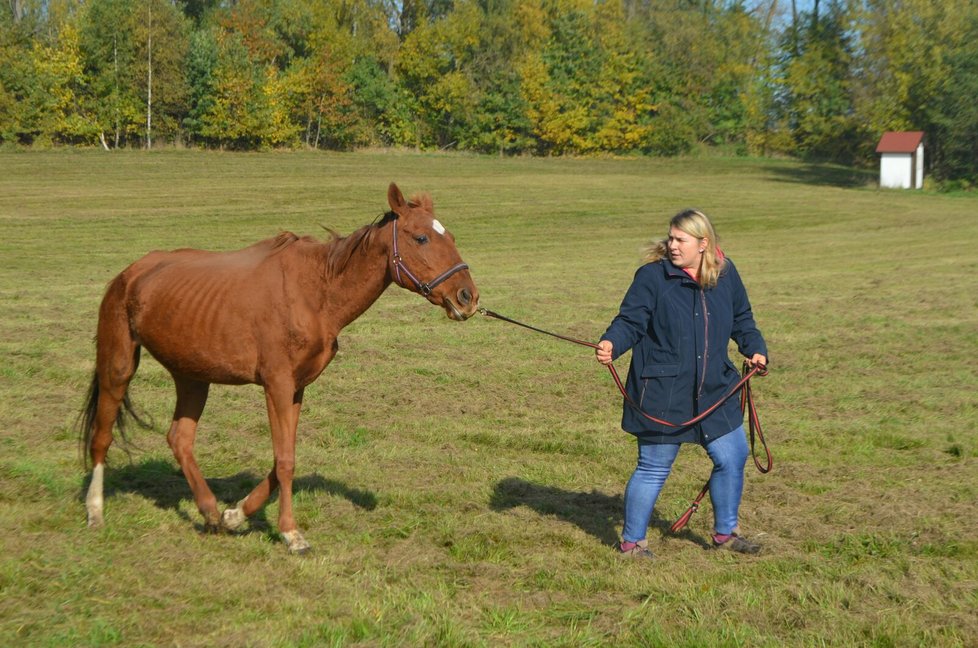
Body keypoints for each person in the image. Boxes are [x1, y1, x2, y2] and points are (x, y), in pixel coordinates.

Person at [595, 208, 767, 558]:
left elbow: (742, 319)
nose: (672, 245)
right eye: (670, 238)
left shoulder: (726, 274)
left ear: (703, 244)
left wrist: (756, 349)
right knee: (653, 468)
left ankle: (725, 534)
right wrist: (613, 342)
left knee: (733, 456)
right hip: (663, 391)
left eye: (680, 240)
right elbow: (631, 320)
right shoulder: (652, 277)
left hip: (716, 388)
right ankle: (632, 543)